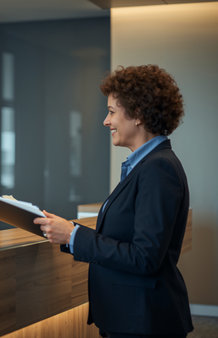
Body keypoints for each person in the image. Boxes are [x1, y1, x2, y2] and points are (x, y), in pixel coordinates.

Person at [34, 65, 193, 338]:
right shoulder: (147, 165)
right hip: (131, 316)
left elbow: (145, 258)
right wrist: (67, 232)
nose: (106, 122)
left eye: (111, 112)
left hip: (143, 321)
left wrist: (73, 235)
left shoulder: (157, 169)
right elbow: (124, 238)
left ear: (139, 114)